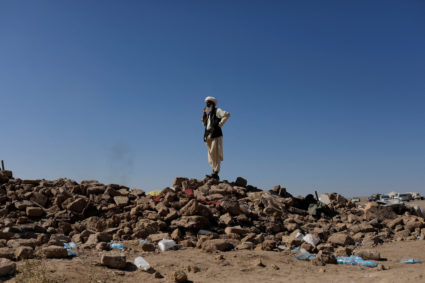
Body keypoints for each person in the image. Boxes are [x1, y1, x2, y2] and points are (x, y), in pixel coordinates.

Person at [201, 96, 230, 180]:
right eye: (206, 104)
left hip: (216, 134)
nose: (207, 105)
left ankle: (216, 172)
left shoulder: (217, 111)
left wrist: (220, 124)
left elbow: (227, 115)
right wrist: (204, 113)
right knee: (210, 154)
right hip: (209, 135)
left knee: (215, 153)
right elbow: (204, 124)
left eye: (208, 104)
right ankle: (213, 171)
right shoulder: (209, 114)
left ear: (212, 104)